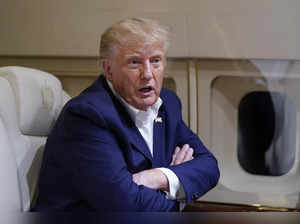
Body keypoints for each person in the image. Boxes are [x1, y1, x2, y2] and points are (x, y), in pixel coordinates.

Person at [34, 18, 219, 211]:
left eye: (155, 61)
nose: (148, 74)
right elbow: (126, 204)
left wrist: (158, 176)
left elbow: (209, 167)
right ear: (108, 70)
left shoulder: (168, 104)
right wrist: (177, 189)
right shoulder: (87, 116)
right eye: (134, 62)